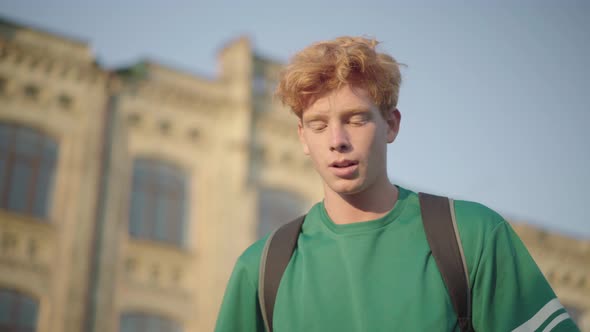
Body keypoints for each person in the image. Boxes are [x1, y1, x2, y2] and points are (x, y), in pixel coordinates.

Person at [214, 36, 579, 331]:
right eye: (319, 125)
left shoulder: (471, 236)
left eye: (356, 120)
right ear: (303, 137)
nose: (336, 140)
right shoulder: (261, 269)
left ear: (391, 124)